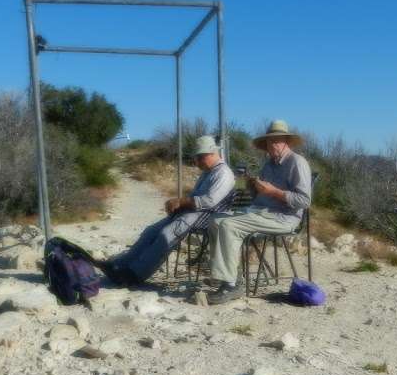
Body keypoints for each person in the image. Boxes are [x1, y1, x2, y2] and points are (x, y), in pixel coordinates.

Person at [102, 135, 234, 285]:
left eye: (199, 157)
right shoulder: (208, 172)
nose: (196, 162)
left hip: (208, 215)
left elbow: (210, 201)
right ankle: (121, 264)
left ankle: (135, 274)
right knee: (151, 231)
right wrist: (178, 205)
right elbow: (196, 197)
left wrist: (181, 202)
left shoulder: (223, 173)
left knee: (167, 235)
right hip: (194, 212)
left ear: (211, 154)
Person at [205, 119, 312, 304]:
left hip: (283, 217)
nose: (272, 145)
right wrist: (252, 184)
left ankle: (231, 286)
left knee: (229, 226)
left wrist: (273, 192)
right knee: (215, 221)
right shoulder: (269, 163)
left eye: (277, 140)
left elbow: (304, 200)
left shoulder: (297, 162)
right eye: (270, 141)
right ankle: (230, 275)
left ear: (286, 141)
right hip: (259, 211)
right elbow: (260, 193)